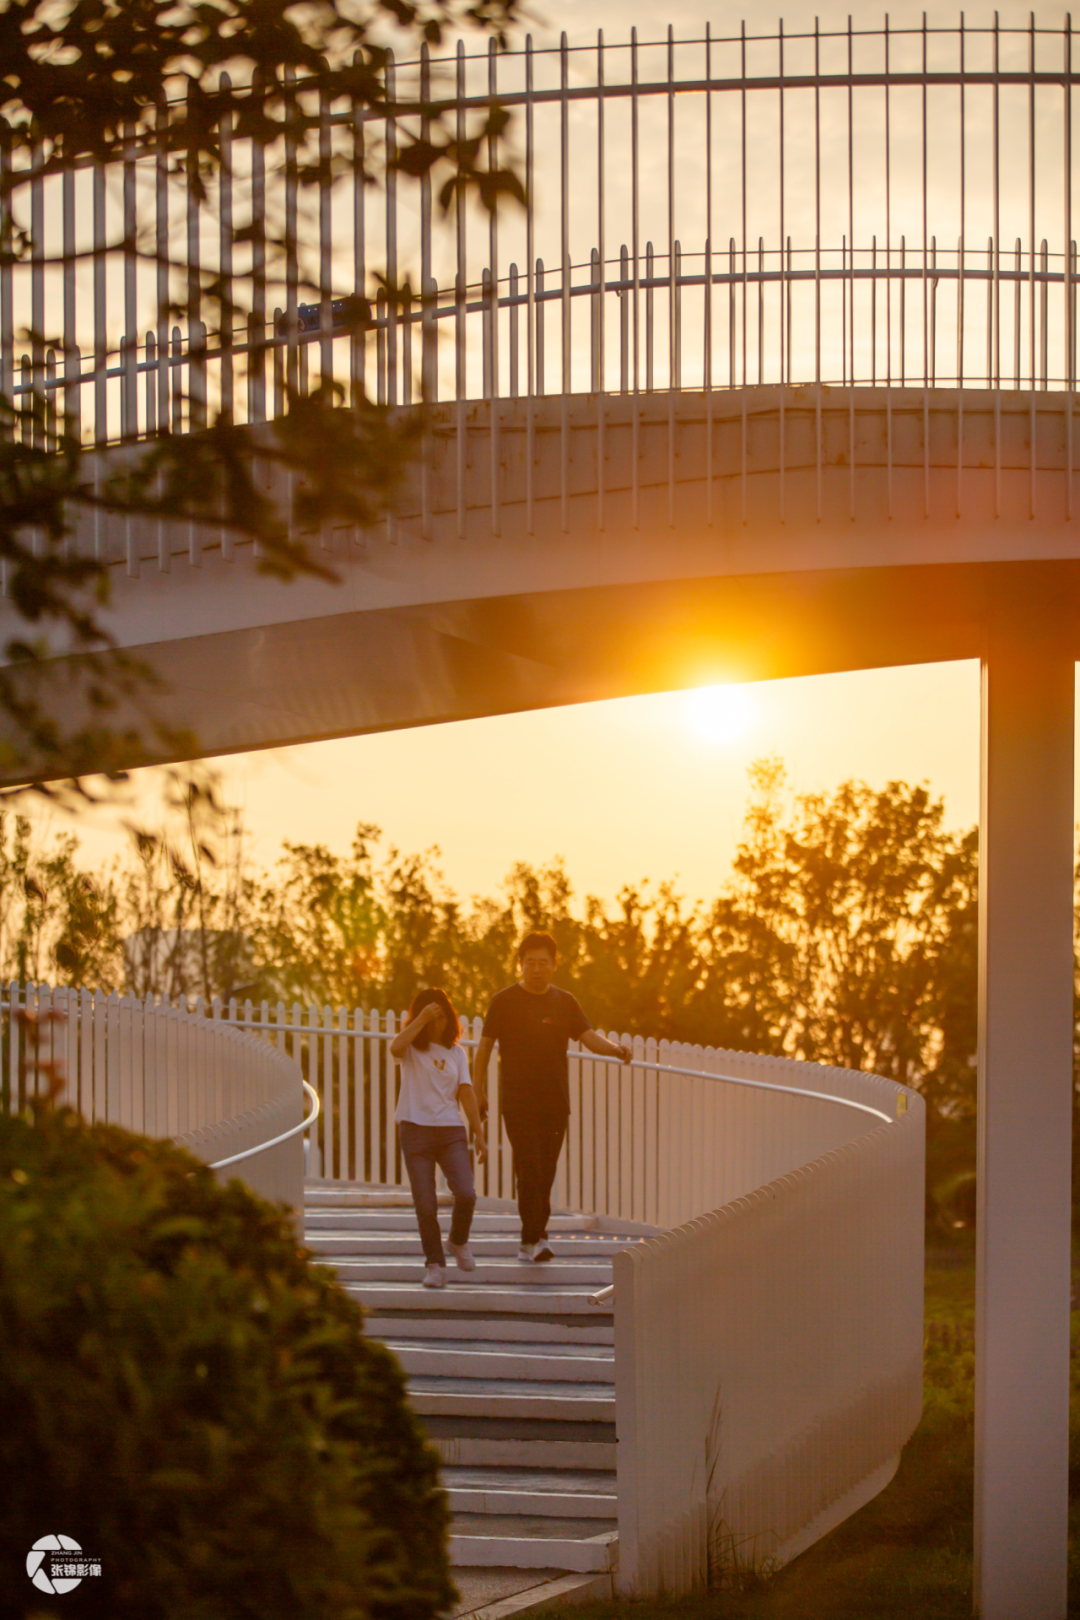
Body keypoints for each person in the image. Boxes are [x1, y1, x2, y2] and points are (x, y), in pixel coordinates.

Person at [472, 932, 631, 1262]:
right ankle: (535, 1239)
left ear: (554, 965)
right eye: (529, 962)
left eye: (543, 963)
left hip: (555, 1102)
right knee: (528, 1168)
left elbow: (588, 1037)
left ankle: (531, 1239)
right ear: (520, 965)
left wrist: (616, 1050)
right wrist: (477, 1090)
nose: (536, 969)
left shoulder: (565, 1002)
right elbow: (484, 1048)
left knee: (545, 1172)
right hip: (518, 1101)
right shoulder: (503, 1001)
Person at [391, 987, 487, 1289]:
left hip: (450, 1131)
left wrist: (479, 1134)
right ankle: (435, 1265)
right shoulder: (410, 1049)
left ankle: (457, 1241)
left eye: (443, 1016)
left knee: (467, 1194)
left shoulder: (456, 1053)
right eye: (432, 1017)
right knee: (426, 1203)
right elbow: (395, 1046)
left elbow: (466, 1092)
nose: (439, 1023)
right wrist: (419, 1020)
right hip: (414, 1129)